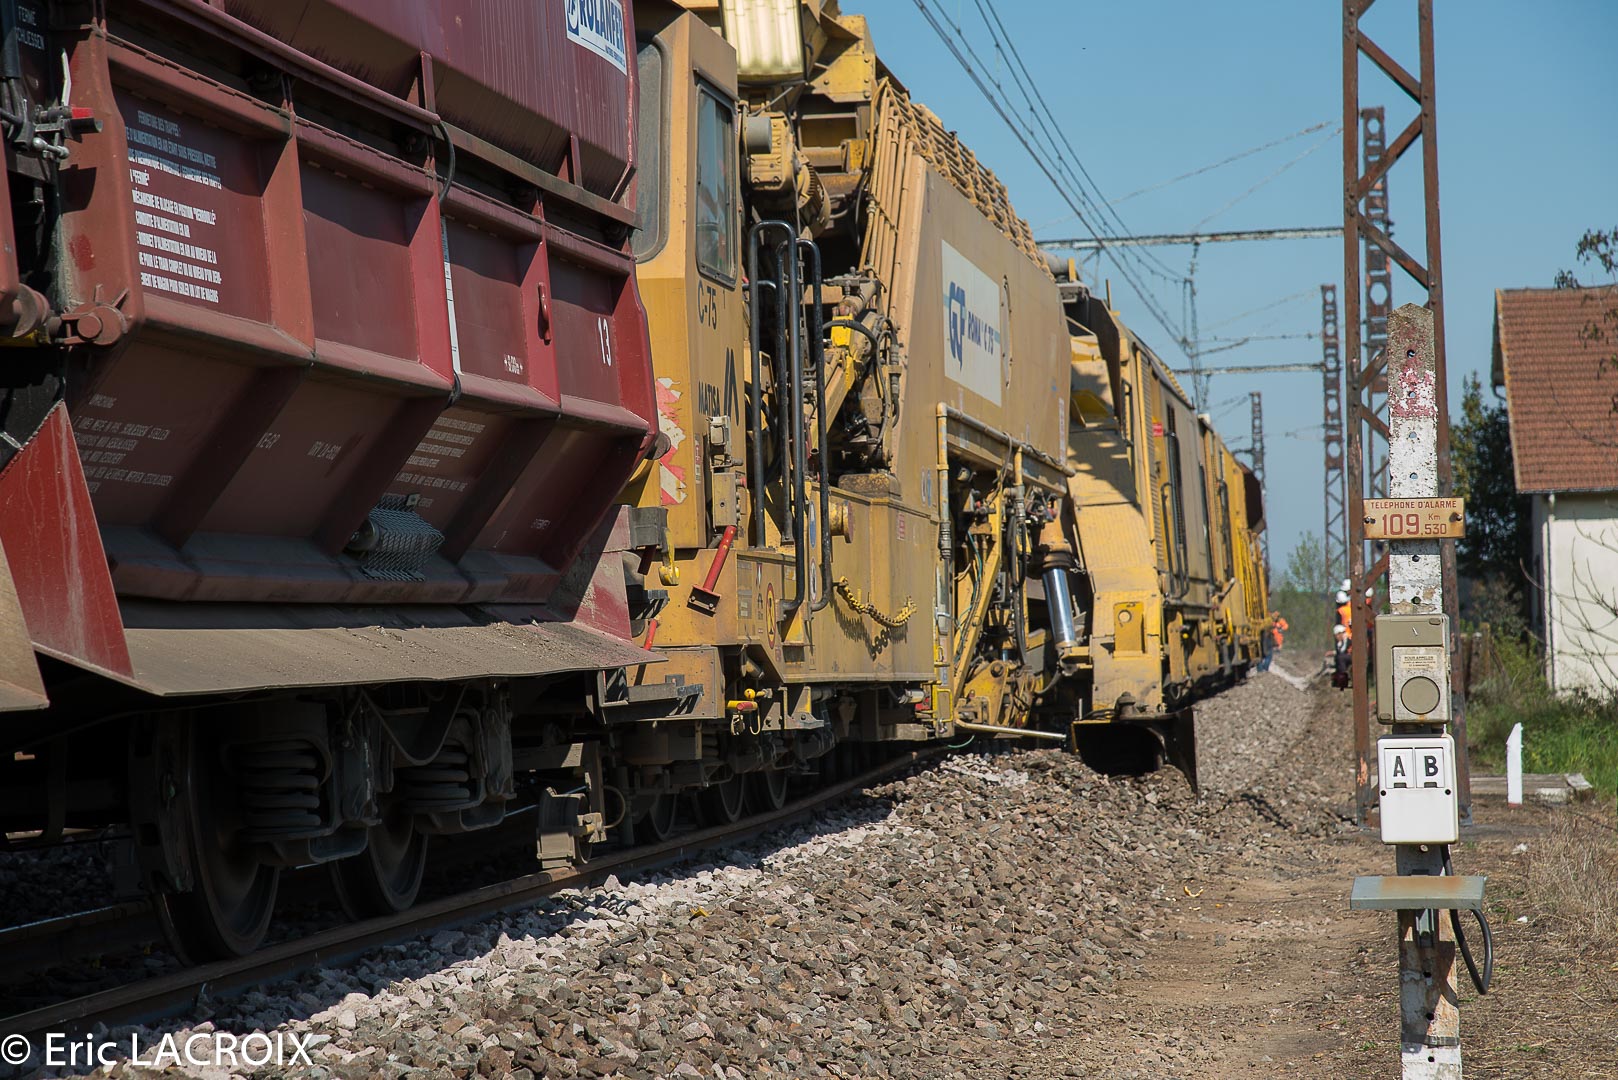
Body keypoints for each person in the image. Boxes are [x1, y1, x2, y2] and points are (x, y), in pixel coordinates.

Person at [1331, 623, 1351, 689]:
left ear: (1340, 634)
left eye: (1337, 635)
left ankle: (1343, 679)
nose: (1336, 637)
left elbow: (1343, 650)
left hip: (1352, 656)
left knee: (1340, 658)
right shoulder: (1340, 642)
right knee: (1338, 658)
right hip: (1347, 656)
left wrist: (1333, 652)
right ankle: (1337, 678)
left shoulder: (1347, 639)